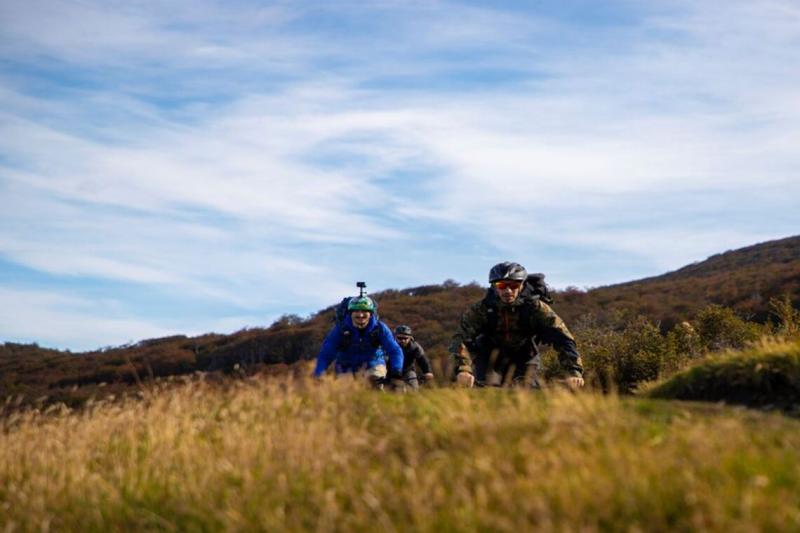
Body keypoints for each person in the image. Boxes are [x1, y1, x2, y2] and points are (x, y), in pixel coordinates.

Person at [450, 262, 585, 389]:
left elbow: (563, 339)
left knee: (526, 395)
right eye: (502, 286)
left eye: (514, 286)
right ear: (494, 286)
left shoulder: (537, 308)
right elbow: (461, 339)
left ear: (522, 286)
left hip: (524, 356)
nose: (508, 291)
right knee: (482, 392)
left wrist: (574, 373)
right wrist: (463, 370)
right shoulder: (481, 309)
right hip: (488, 356)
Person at [314, 295, 404, 389]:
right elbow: (326, 353)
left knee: (375, 383)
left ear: (371, 314)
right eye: (356, 311)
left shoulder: (380, 328)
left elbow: (394, 350)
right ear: (350, 313)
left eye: (364, 311)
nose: (360, 315)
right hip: (345, 368)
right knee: (345, 396)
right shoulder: (340, 329)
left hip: (373, 365)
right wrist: (319, 373)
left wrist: (396, 370)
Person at [393, 325, 434, 390]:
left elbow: (422, 360)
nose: (402, 340)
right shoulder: (389, 346)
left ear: (410, 338)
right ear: (395, 337)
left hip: (408, 371)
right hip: (391, 371)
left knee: (413, 387)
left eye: (405, 338)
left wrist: (427, 372)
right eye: (400, 338)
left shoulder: (415, 347)